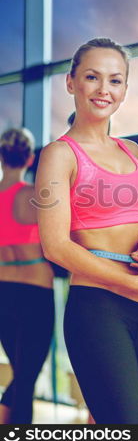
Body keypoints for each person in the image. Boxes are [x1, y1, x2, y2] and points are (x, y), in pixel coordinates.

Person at [35, 38, 138, 424]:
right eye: (92, 77)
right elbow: (56, 246)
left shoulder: (130, 150)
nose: (103, 90)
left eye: (115, 80)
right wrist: (135, 284)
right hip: (98, 309)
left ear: (125, 89)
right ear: (71, 82)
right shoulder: (59, 155)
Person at [0, 128, 54, 424]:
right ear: (30, 158)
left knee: (21, 374)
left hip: (3, 292)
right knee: (26, 376)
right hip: (34, 292)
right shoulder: (33, 196)